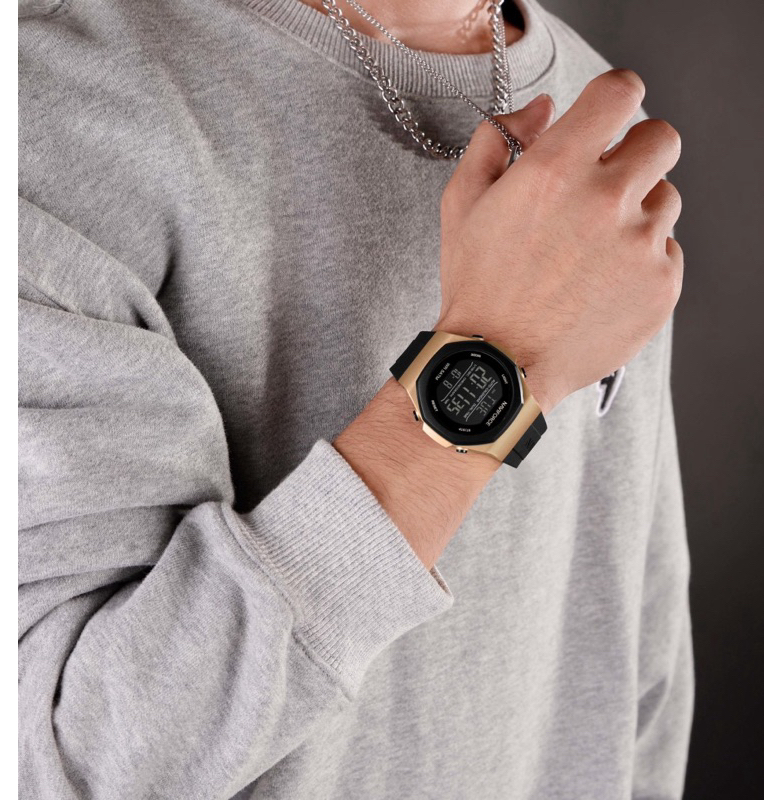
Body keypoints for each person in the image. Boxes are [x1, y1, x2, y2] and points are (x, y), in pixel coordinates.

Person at [18, 0, 693, 797]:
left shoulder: (598, 116)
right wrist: (499, 353)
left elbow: (635, 659)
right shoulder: (56, 105)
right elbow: (73, 762)